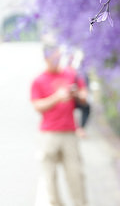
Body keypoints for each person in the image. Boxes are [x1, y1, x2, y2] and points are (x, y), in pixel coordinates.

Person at [31, 43, 88, 206]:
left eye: (58, 57)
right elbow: (37, 106)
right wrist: (57, 97)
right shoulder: (39, 80)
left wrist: (76, 93)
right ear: (46, 58)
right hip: (49, 134)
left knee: (75, 176)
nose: (56, 61)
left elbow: (84, 96)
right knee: (49, 179)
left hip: (69, 132)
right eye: (53, 57)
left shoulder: (71, 74)